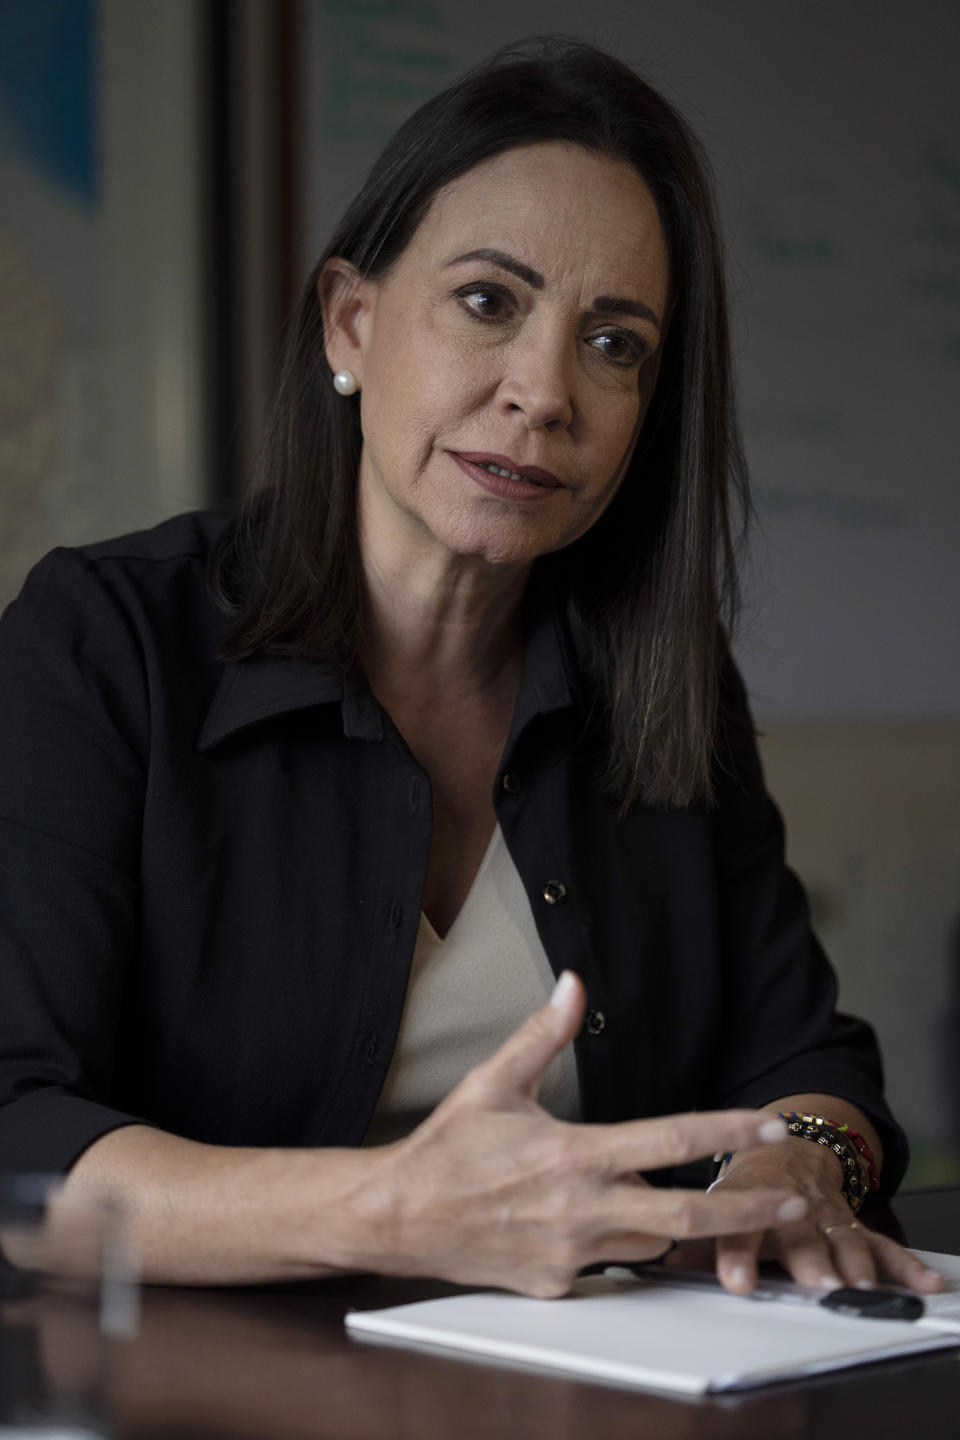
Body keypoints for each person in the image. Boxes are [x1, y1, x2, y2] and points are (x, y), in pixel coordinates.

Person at [0, 38, 942, 1300]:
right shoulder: (102, 642)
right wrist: (391, 1211)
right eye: (489, 302)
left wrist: (804, 1164)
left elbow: (806, 1052)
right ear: (352, 319)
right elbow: (12, 1130)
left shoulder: (661, 681)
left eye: (615, 345)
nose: (545, 393)